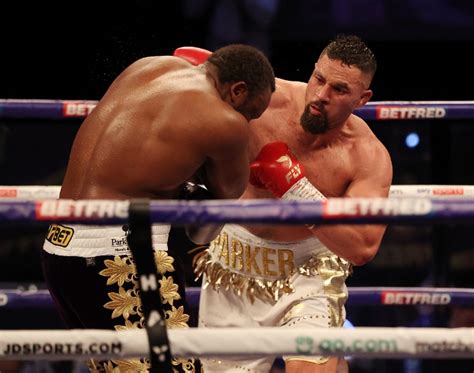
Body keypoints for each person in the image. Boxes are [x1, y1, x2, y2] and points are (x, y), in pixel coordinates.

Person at [40, 44, 275, 372]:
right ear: (237, 91)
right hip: (120, 256)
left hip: (59, 251)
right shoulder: (226, 123)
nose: (246, 122)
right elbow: (205, 226)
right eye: (250, 112)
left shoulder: (148, 66)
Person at [193, 34, 393, 372]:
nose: (320, 95)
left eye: (340, 90)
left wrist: (297, 190)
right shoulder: (266, 100)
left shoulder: (367, 157)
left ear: (363, 99)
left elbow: (363, 246)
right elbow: (192, 82)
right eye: (319, 79)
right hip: (233, 267)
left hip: (310, 272)